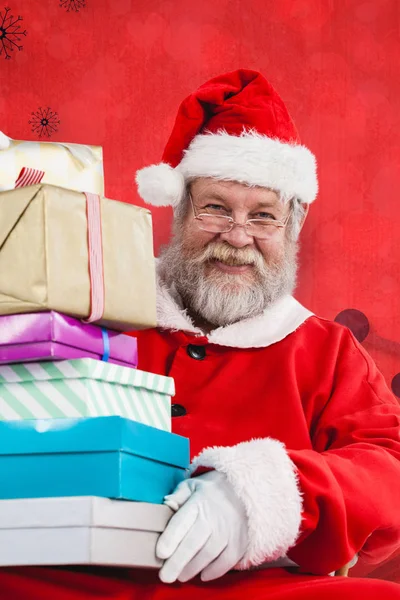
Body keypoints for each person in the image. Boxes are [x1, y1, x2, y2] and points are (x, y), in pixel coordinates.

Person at [0, 69, 399, 599]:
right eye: (215, 208)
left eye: (263, 217)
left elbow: (387, 465)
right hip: (74, 578)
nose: (238, 237)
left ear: (294, 225)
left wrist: (263, 494)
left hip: (253, 586)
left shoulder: (326, 350)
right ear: (180, 209)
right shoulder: (91, 302)